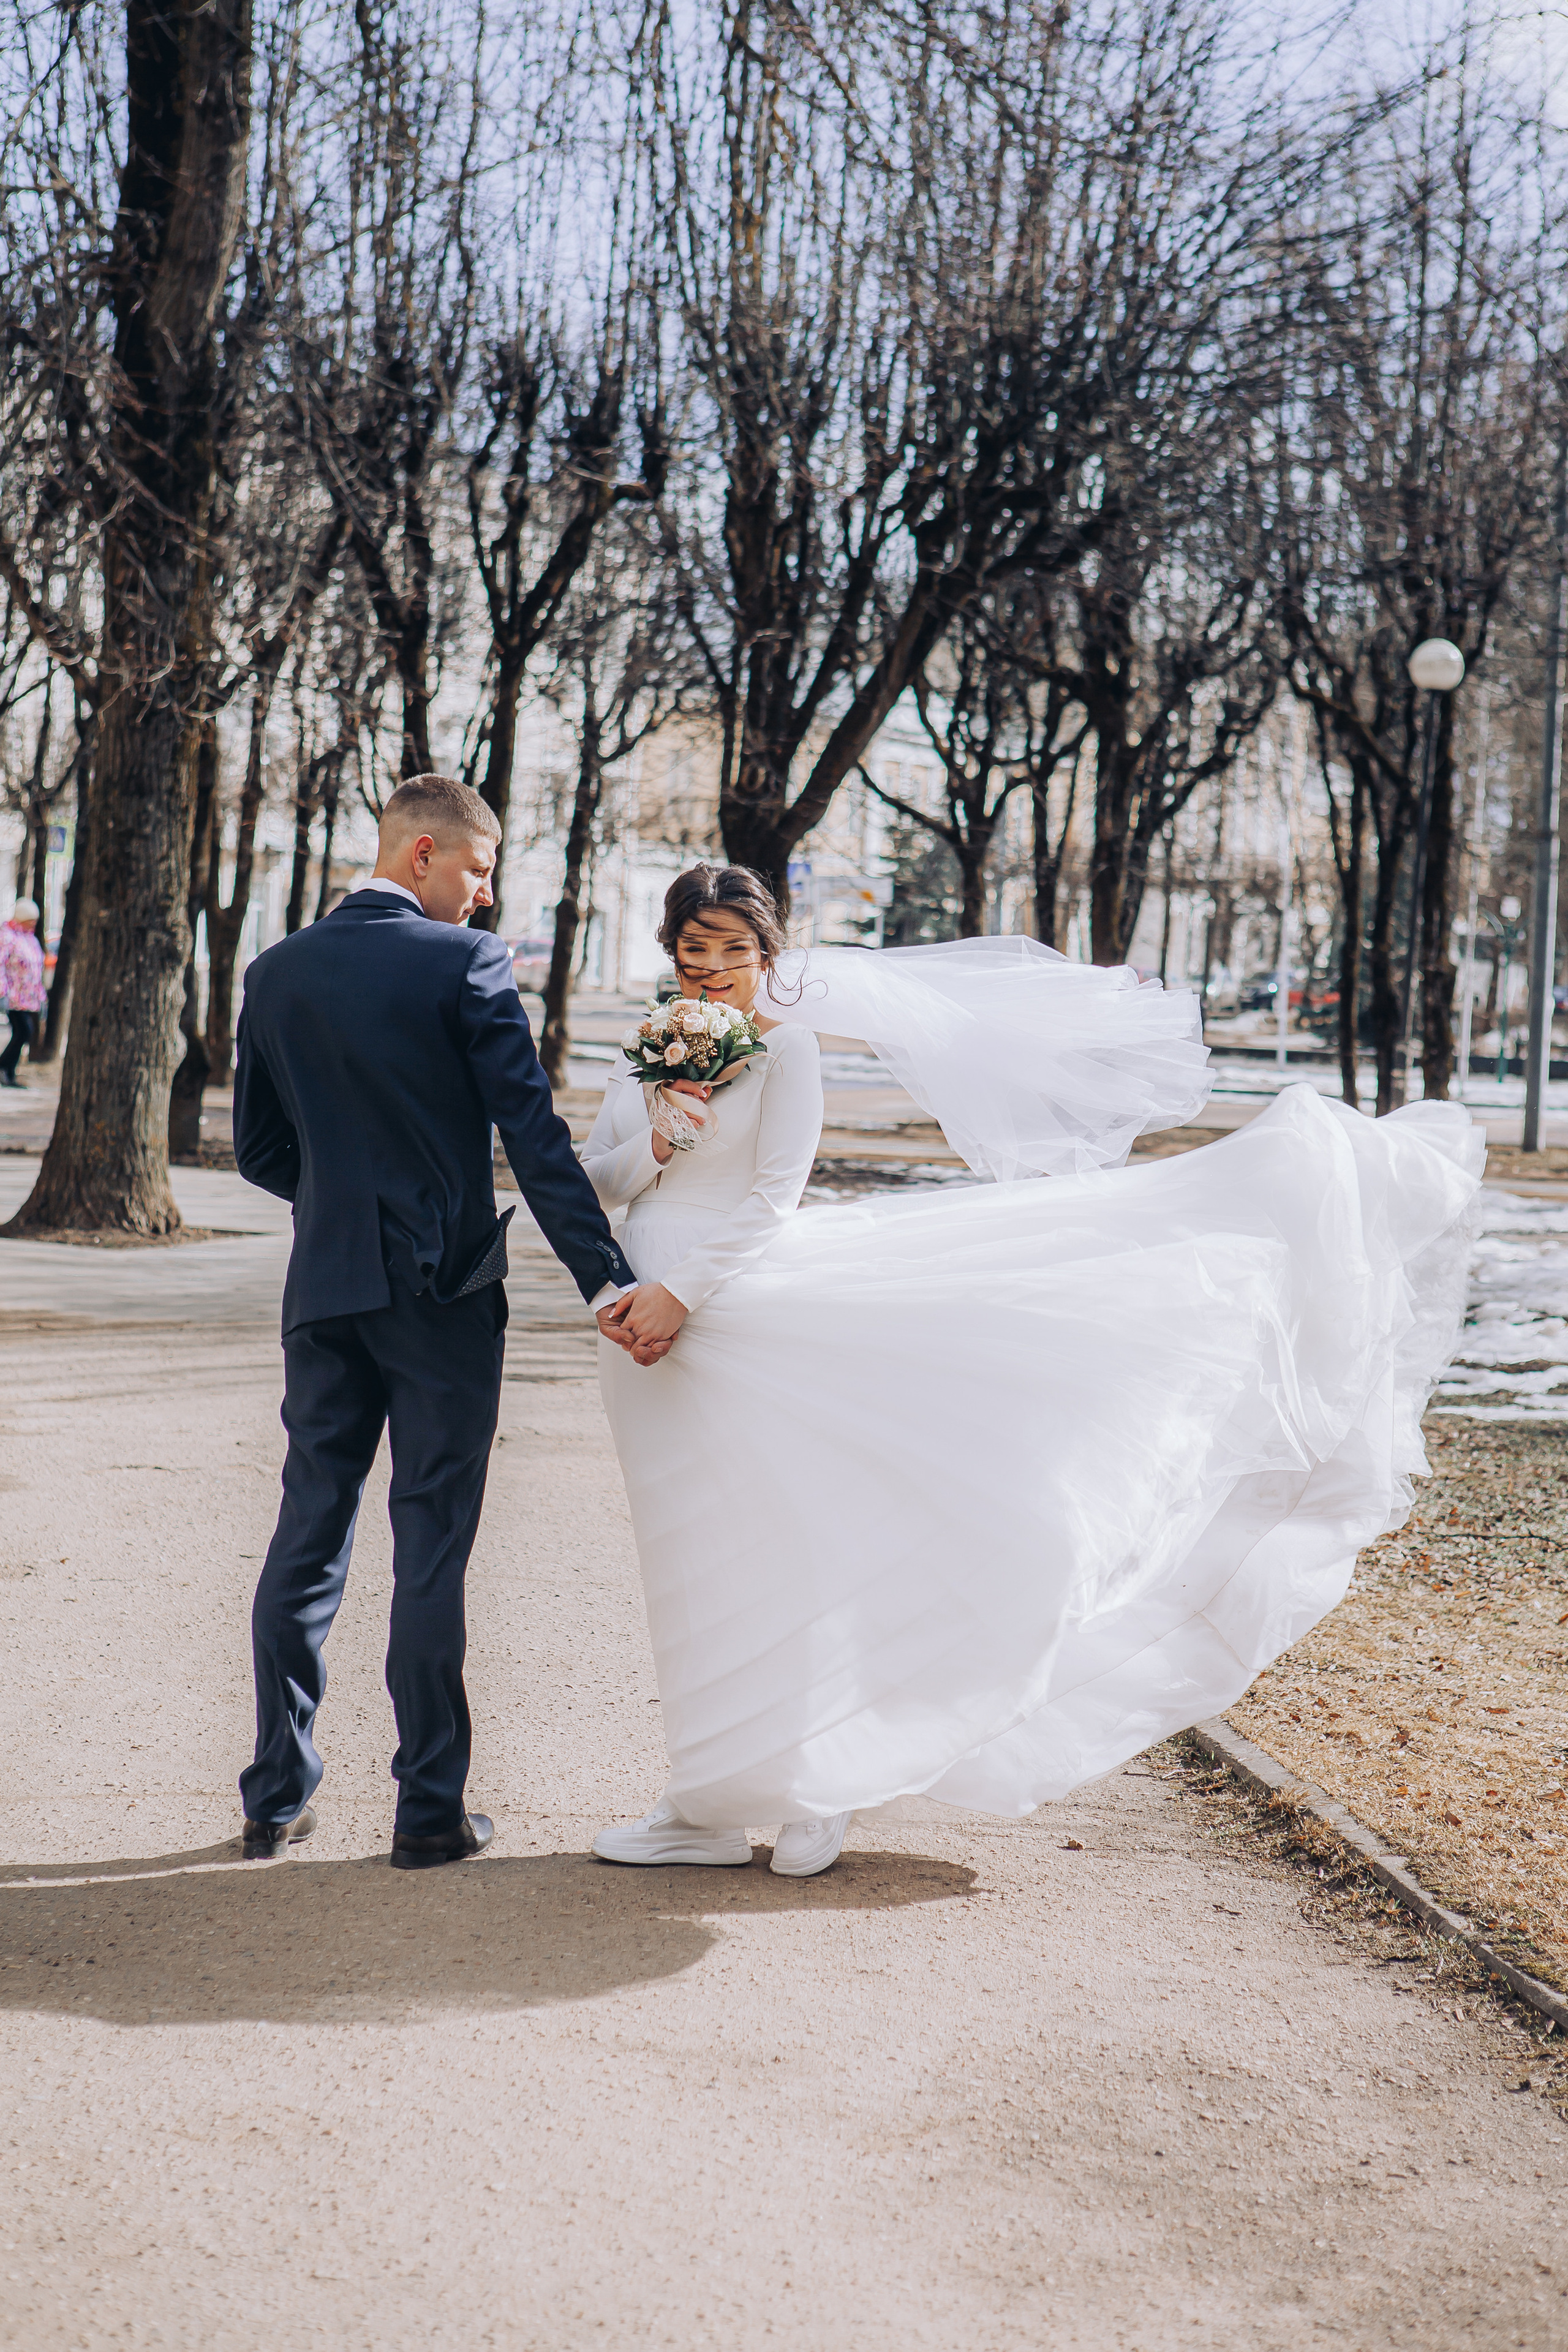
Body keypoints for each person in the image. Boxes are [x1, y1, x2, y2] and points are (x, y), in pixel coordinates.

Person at [586, 861, 1482, 1879]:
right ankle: (704, 1809)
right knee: (689, 1566)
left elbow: (772, 1199)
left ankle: (818, 1782)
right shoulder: (648, 1049)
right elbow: (600, 1175)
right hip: (634, 1327)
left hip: (730, 1312)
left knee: (788, 1546)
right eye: (693, 955)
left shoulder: (788, 1053)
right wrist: (659, 1142)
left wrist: (682, 1294)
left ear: (766, 955)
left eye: (732, 954)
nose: (711, 975)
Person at [231, 775, 641, 1868]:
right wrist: (606, 1281)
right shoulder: (465, 963)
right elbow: (535, 1139)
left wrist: (340, 1214)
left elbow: (260, 1151)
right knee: (432, 1546)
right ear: (421, 855)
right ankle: (427, 1815)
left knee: (309, 1530)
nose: (488, 891)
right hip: (444, 1297)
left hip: (323, 1291)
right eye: (479, 867)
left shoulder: (274, 974)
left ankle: (275, 1796)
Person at [0, 899, 46, 1085]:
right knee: (24, 1031)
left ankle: (8, 1072)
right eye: (30, 920)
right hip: (13, 996)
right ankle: (4, 1067)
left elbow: (36, 969)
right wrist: (2, 991)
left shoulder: (31, 938)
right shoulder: (7, 936)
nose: (33, 923)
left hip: (28, 997)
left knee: (23, 1032)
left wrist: (42, 996)